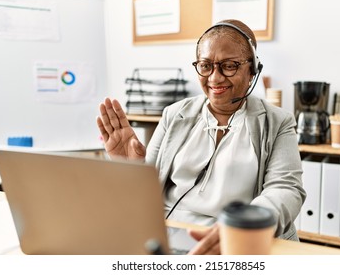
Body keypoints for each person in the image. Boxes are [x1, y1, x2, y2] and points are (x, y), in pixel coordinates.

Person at [97, 19, 306, 255]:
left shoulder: (278, 122)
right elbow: (144, 194)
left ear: (252, 71)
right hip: (168, 237)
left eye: (229, 66)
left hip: (234, 241)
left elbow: (286, 190)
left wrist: (241, 228)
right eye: (206, 66)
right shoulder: (174, 114)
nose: (215, 78)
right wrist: (130, 165)